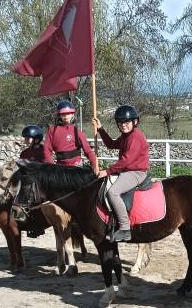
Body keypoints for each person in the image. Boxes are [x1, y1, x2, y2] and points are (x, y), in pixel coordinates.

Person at [90, 105, 150, 243]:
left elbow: (126, 160)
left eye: (127, 122)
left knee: (113, 192)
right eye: (121, 122)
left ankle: (124, 228)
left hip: (136, 172)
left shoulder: (136, 137)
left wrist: (107, 171)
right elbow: (111, 144)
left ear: (135, 122)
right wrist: (100, 129)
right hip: (127, 170)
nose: (124, 125)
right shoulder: (125, 137)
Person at [43, 100, 99, 173]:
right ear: (59, 115)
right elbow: (46, 150)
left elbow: (87, 150)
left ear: (72, 114)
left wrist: (95, 165)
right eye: (63, 114)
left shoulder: (77, 132)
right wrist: (52, 166)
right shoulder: (52, 131)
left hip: (77, 167)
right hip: (60, 168)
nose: (66, 116)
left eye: (68, 113)